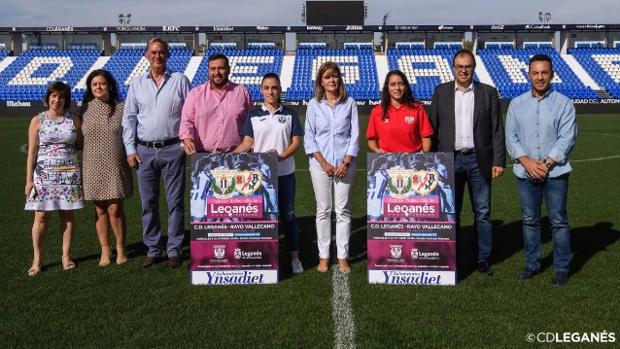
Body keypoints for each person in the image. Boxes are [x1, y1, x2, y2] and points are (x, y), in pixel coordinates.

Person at [429, 49, 506, 276]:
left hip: (477, 160)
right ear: (453, 68)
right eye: (459, 66)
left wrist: (499, 160)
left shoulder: (488, 93)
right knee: (451, 212)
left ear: (474, 68)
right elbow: (432, 129)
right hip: (448, 160)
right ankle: (452, 257)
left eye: (468, 66)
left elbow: (496, 130)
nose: (463, 70)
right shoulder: (441, 91)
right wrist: (432, 161)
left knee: (482, 212)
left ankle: (483, 258)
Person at [505, 54, 577, 286]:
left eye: (544, 72)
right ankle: (532, 265)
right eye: (535, 73)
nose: (540, 77)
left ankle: (562, 268)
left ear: (552, 74)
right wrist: (526, 162)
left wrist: (545, 164)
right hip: (525, 173)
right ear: (529, 75)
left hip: (555, 173)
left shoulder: (564, 103)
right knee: (529, 220)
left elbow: (567, 137)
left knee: (558, 220)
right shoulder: (517, 104)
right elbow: (511, 137)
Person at [122, 37, 191, 269]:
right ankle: (153, 248)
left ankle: (174, 249)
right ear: (146, 55)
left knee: (175, 203)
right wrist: (130, 150)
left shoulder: (180, 80)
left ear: (168, 55)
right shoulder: (136, 84)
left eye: (161, 52)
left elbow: (190, 114)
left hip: (173, 149)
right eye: (153, 52)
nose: (157, 56)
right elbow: (129, 119)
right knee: (148, 204)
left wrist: (184, 142)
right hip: (144, 151)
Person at [234, 73, 305, 274]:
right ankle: (262, 256)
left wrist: (280, 157)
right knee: (261, 218)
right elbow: (247, 144)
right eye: (266, 88)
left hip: (285, 174)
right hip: (259, 178)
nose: (270, 91)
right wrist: (226, 157)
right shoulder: (254, 115)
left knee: (288, 216)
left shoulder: (290, 115)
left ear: (280, 89)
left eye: (274, 88)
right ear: (261, 90)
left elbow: (296, 143)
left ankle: (295, 257)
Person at [304, 62, 359, 273]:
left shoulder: (350, 103)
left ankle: (343, 256)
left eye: (335, 76)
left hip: (346, 165)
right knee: (323, 210)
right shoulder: (313, 104)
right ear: (321, 81)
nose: (332, 80)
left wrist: (346, 161)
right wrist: (323, 163)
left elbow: (355, 136)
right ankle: (324, 256)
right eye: (327, 77)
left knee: (343, 211)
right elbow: (310, 137)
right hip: (320, 166)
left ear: (339, 79)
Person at [24, 82, 84, 276]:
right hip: (43, 175)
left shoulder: (74, 120)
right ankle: (37, 259)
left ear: (66, 100)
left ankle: (66, 256)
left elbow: (81, 143)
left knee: (67, 215)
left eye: (61, 97)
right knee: (40, 216)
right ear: (48, 97)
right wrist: (29, 180)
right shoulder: (37, 120)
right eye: (54, 96)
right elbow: (31, 153)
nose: (57, 100)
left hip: (69, 173)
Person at [80, 69, 132, 267]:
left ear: (109, 85)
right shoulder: (84, 109)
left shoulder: (122, 107)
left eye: (102, 83)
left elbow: (129, 134)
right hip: (92, 164)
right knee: (100, 210)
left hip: (115, 163)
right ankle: (105, 251)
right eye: (94, 85)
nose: (98, 87)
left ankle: (121, 248)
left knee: (116, 209)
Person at [179, 53, 252, 154]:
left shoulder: (242, 92)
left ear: (229, 69)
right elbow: (186, 122)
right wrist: (188, 140)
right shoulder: (195, 94)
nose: (217, 72)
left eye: (221, 68)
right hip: (203, 155)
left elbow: (251, 124)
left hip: (236, 155)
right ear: (208, 70)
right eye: (213, 69)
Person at [367, 70, 433, 153]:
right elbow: (371, 140)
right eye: (393, 84)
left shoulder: (417, 109)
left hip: (413, 161)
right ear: (387, 87)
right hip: (388, 161)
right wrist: (377, 150)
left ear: (406, 86)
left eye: (401, 84)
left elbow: (426, 136)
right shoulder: (377, 111)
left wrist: (423, 155)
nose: (397, 88)